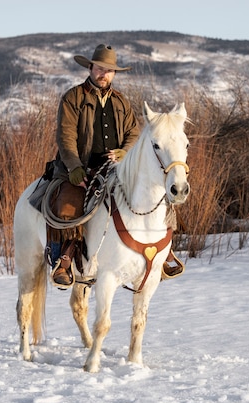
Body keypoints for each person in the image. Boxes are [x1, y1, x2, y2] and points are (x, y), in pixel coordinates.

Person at [47, 44, 183, 289]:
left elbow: (134, 133)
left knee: (160, 199)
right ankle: (64, 259)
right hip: (81, 169)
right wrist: (74, 166)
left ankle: (163, 254)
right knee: (69, 207)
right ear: (90, 67)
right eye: (100, 68)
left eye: (109, 71)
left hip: (115, 169)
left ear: (114, 74)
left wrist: (124, 152)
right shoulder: (73, 98)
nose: (104, 74)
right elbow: (65, 136)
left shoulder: (121, 102)